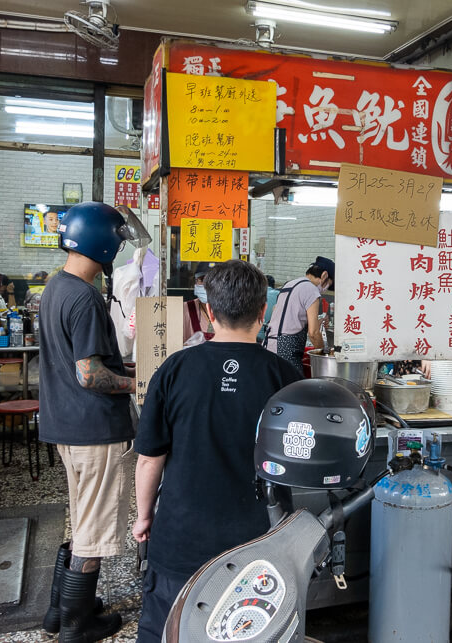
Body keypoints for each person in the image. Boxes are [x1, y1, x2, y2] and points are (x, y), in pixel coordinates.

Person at [133, 260, 303, 642]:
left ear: (210, 312)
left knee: (171, 629)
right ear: (264, 311)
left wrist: (144, 517)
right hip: (260, 540)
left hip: (181, 538)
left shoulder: (175, 369)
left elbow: (149, 458)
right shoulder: (285, 377)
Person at [38, 201, 140, 641]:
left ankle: (59, 613)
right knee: (94, 531)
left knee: (81, 520)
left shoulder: (55, 288)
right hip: (96, 430)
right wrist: (136, 387)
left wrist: (129, 371)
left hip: (68, 427)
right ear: (103, 242)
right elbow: (89, 374)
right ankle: (78, 626)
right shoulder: (84, 297)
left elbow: (83, 364)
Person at [263, 256, 334, 373]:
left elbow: (286, 317)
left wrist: (318, 322)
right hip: (286, 350)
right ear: (324, 276)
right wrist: (324, 356)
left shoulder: (291, 284)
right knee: (293, 389)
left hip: (269, 345)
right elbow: (314, 333)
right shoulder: (312, 290)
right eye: (328, 285)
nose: (326, 289)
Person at [181, 262, 215, 342]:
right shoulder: (184, 310)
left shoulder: (232, 312)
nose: (207, 284)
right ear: (195, 282)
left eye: (214, 280)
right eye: (202, 279)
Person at [256, 274, 280, 342]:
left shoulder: (255, 294)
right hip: (271, 338)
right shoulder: (279, 295)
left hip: (255, 335)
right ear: (273, 285)